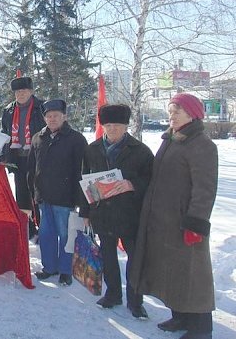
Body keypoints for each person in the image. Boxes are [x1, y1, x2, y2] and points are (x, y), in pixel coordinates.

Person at [131, 94, 217, 339]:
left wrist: (195, 223)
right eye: (170, 112)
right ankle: (180, 316)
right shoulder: (171, 139)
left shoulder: (201, 144)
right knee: (172, 272)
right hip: (163, 221)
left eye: (177, 111)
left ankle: (201, 328)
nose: (172, 116)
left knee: (193, 274)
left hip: (185, 222)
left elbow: (205, 188)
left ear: (193, 113)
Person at [79, 104, 153, 319]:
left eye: (117, 126)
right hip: (103, 214)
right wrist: (85, 212)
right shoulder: (92, 150)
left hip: (130, 214)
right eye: (108, 125)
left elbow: (152, 180)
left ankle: (135, 300)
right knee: (108, 255)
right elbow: (83, 180)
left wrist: (133, 184)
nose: (112, 130)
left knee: (134, 258)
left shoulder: (140, 151)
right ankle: (112, 294)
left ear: (126, 126)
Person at [27, 99, 87, 286]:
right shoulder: (38, 138)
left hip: (65, 197)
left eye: (56, 116)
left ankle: (65, 270)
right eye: (48, 116)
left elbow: (82, 171)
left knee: (66, 235)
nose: (52, 119)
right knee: (46, 234)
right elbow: (31, 167)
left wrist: (79, 199)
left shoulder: (76, 139)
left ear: (64, 116)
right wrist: (34, 191)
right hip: (44, 196)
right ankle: (49, 267)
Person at [1, 76, 45, 238]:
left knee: (38, 194)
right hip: (17, 157)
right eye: (17, 92)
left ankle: (41, 227)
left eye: (24, 91)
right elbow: (5, 133)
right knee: (21, 194)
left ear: (31, 91)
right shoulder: (9, 110)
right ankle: (27, 229)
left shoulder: (41, 108)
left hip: (36, 157)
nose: (20, 94)